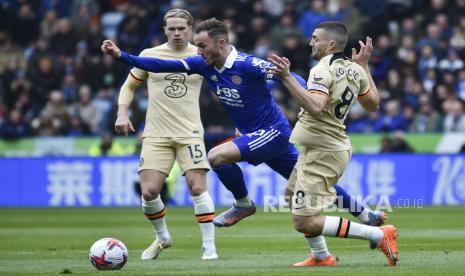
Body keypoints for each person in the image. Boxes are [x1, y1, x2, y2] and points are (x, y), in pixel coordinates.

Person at [101, 18, 385, 232]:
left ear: (221, 44)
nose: (197, 51)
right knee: (308, 184)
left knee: (217, 157)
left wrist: (310, 95)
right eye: (197, 46)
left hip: (273, 132)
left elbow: (287, 76)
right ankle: (366, 217)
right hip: (259, 135)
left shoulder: (248, 65)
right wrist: (122, 57)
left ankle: (243, 203)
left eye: (202, 45)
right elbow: (161, 66)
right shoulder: (203, 65)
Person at [267, 21, 398, 266]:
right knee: (290, 195)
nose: (310, 42)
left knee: (303, 221)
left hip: (324, 151)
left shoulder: (321, 70)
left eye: (315, 38)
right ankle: (321, 256)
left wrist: (286, 78)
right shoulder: (355, 69)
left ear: (332, 44)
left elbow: (316, 107)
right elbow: (372, 104)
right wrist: (364, 66)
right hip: (323, 147)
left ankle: (379, 234)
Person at [111, 9, 217, 261]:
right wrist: (122, 113)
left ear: (191, 29)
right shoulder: (149, 55)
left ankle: (209, 247)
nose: (177, 33)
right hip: (156, 134)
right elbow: (129, 86)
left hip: (190, 133)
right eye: (172, 29)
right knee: (148, 192)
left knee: (197, 187)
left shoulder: (201, 55)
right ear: (164, 30)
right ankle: (162, 237)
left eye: (182, 28)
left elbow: (226, 87)